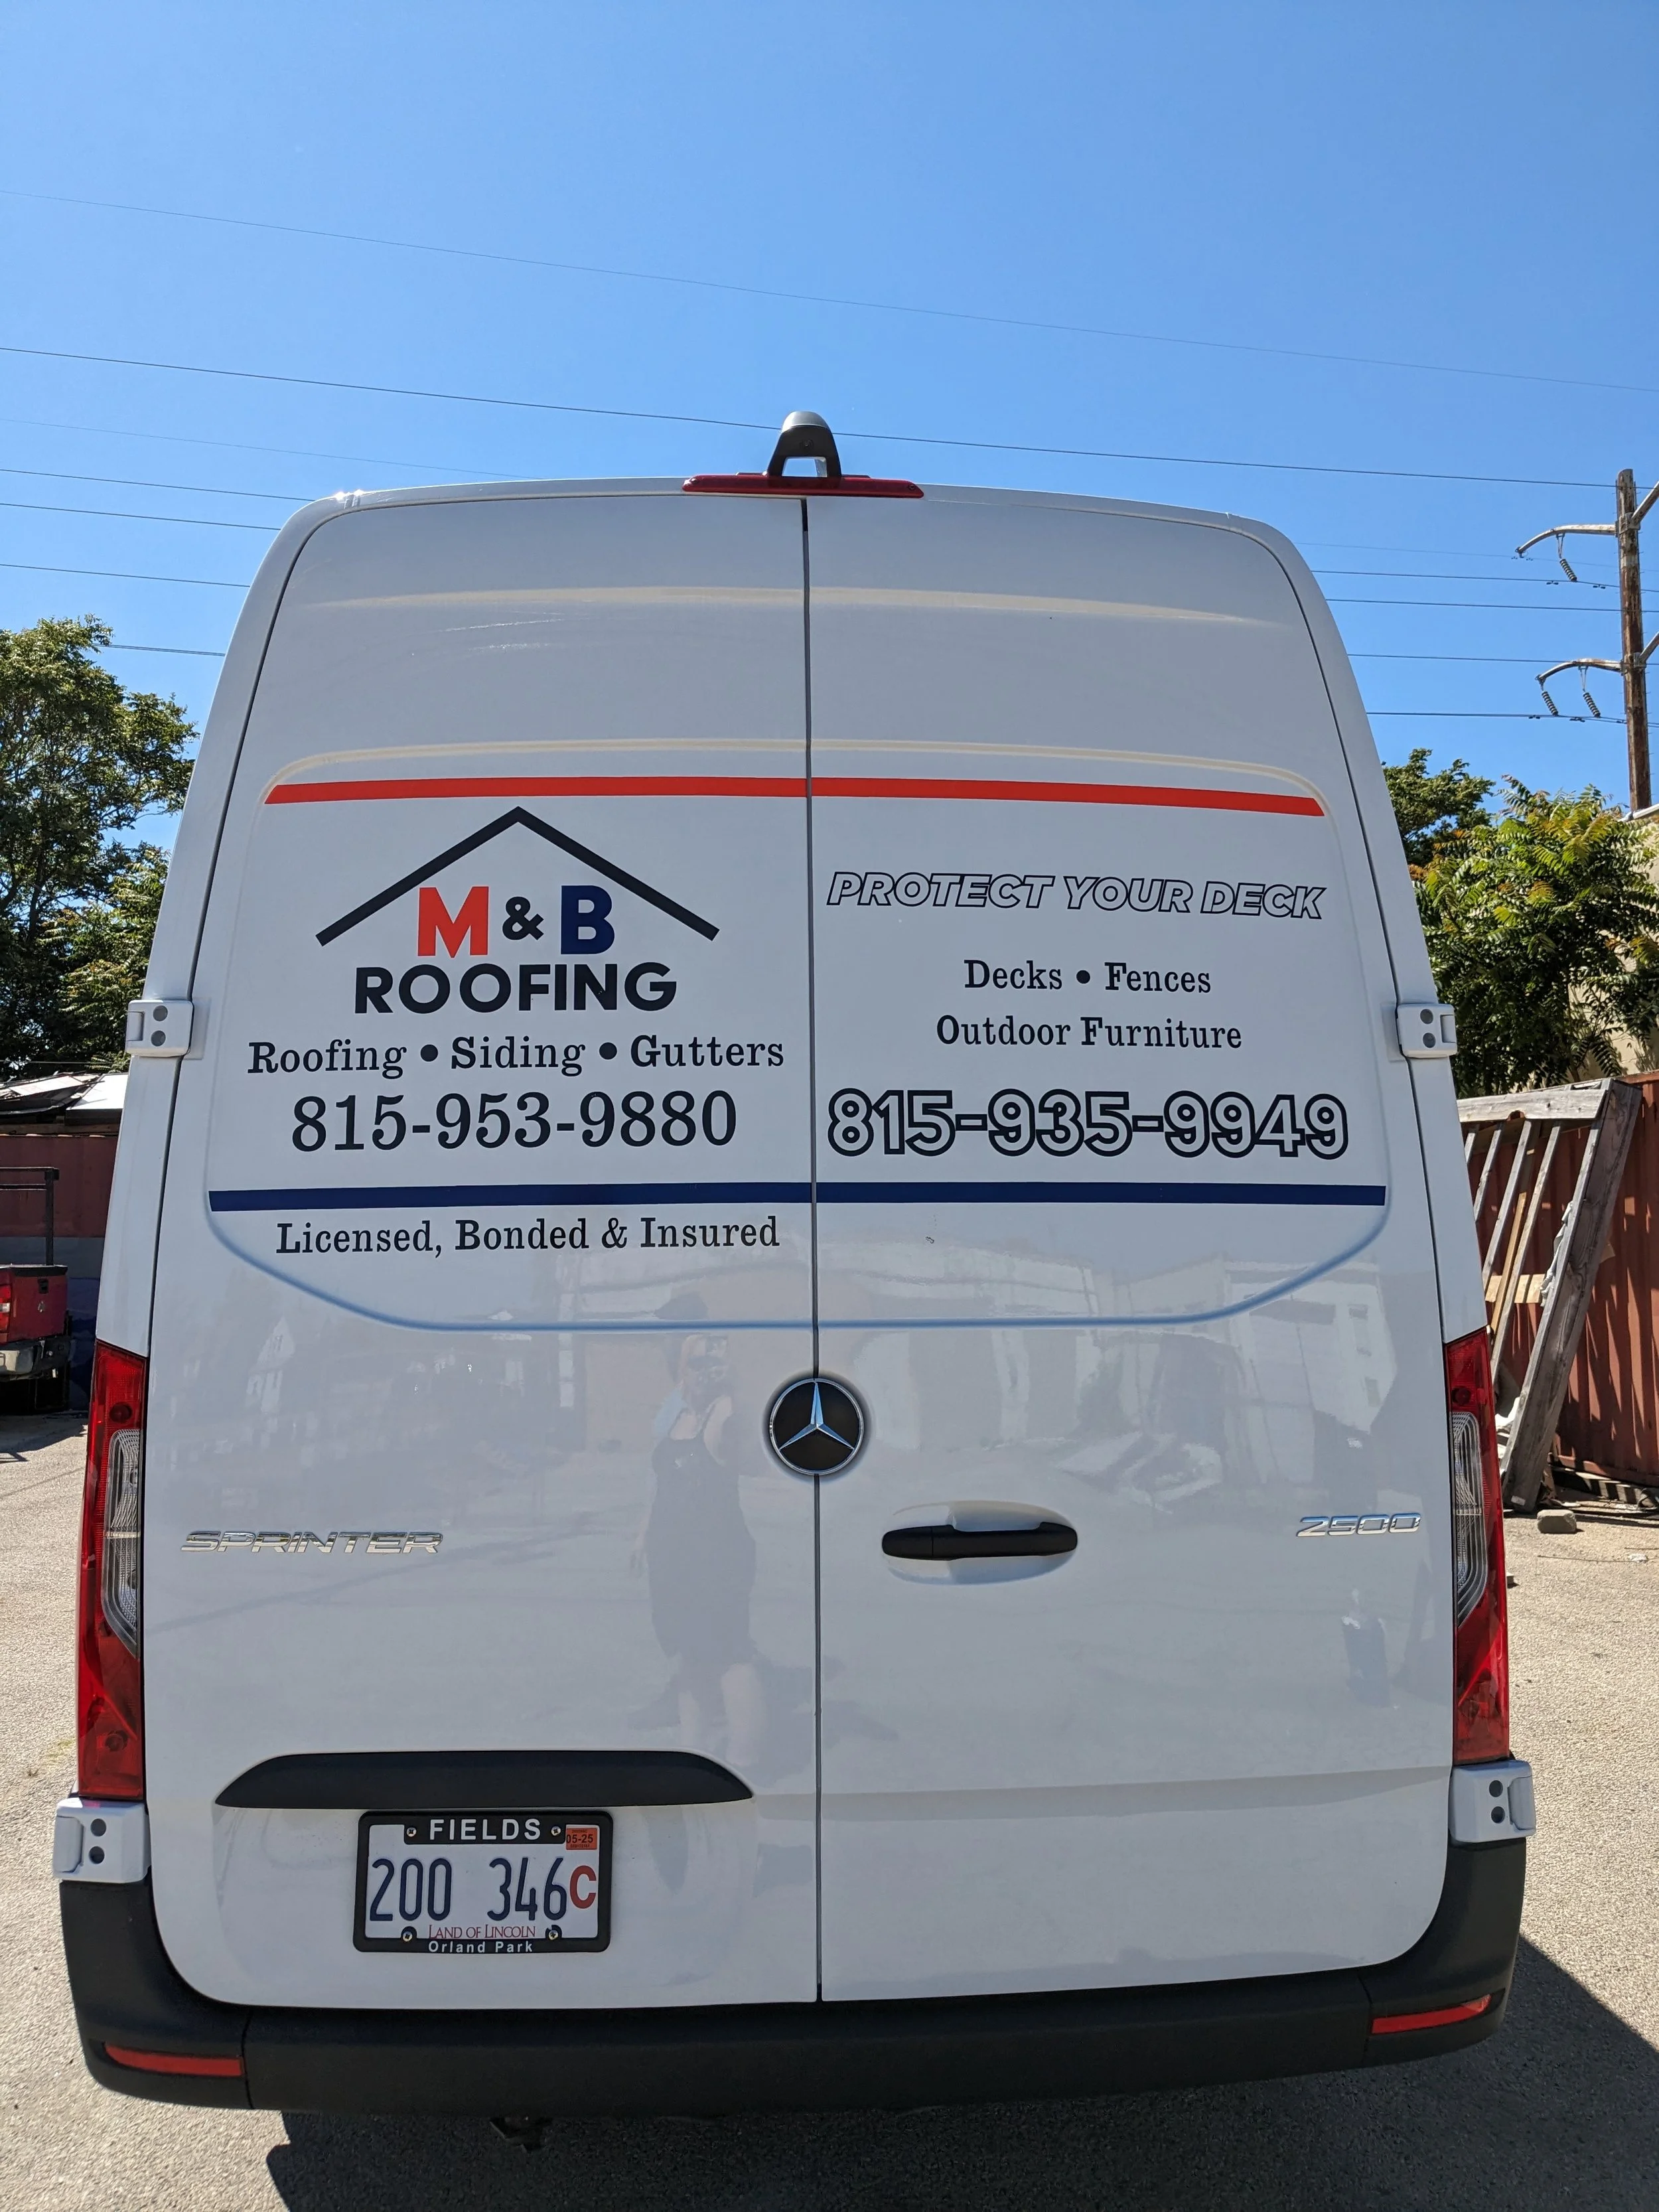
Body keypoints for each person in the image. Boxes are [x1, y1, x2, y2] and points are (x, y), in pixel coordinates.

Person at [634, 1334, 764, 1770]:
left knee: (731, 1657)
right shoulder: (680, 1415)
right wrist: (643, 1535)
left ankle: (745, 1763)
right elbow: (662, 1485)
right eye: (696, 1364)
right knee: (690, 1656)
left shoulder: (724, 1413)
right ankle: (694, 1752)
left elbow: (748, 1443)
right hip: (674, 1560)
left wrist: (733, 1383)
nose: (703, 1372)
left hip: (716, 1558)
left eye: (712, 1364)